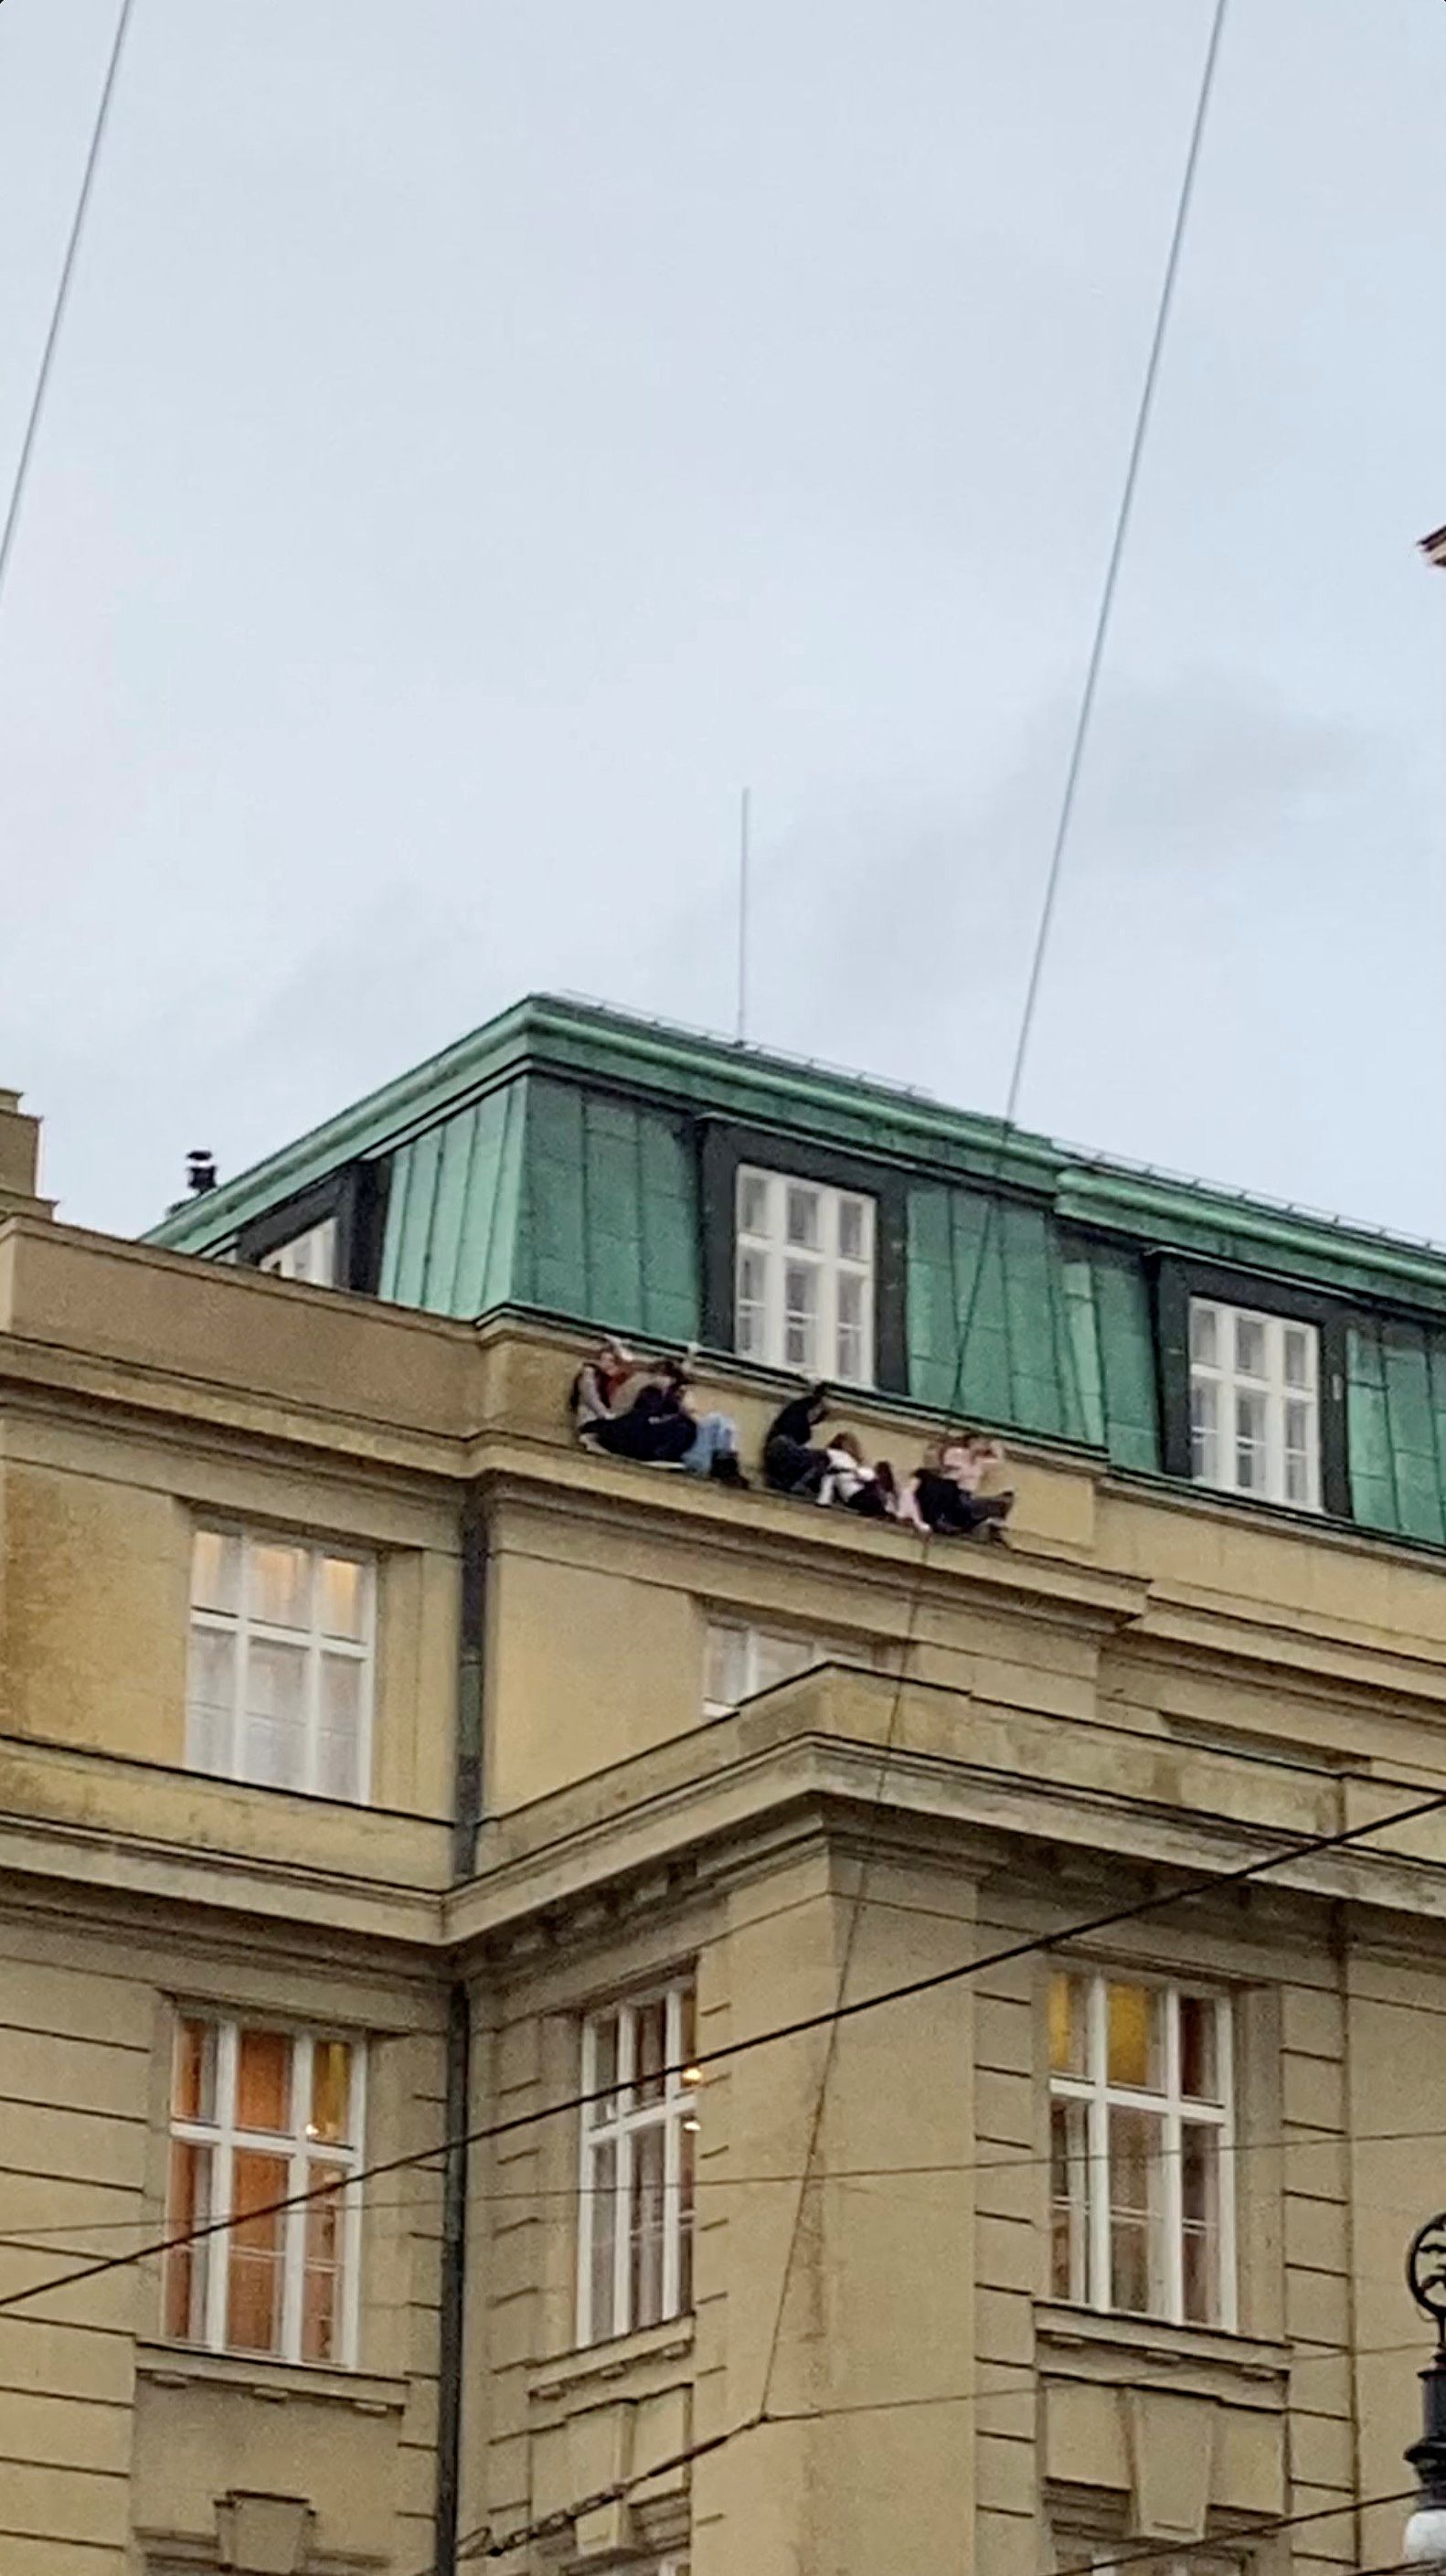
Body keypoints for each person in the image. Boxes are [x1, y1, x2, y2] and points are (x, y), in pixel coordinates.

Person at [574, 1345, 748, 1487]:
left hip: (686, 1454)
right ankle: (726, 1467)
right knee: (718, 1422)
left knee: (720, 1422)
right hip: (683, 1455)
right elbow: (631, 1420)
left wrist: (690, 1356)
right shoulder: (654, 1398)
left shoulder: (664, 1400)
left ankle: (726, 1466)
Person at [909, 1434, 1014, 1539]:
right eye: (978, 1442)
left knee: (997, 1502)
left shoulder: (980, 1462)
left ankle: (988, 1520)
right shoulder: (958, 1455)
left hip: (966, 1496)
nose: (982, 1445)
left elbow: (999, 1462)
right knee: (969, 1506)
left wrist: (995, 1444)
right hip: (957, 1495)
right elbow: (947, 1470)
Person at [763, 1385, 831, 1497]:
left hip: (782, 1450)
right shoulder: (798, 1412)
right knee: (822, 1458)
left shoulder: (798, 1414)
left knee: (818, 1459)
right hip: (782, 1446)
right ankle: (796, 1485)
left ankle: (794, 1483)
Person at [817, 1430, 892, 1520]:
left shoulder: (843, 1461)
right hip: (856, 1495)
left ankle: (882, 1511)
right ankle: (882, 1511)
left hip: (854, 1495)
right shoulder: (839, 1457)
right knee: (873, 1490)